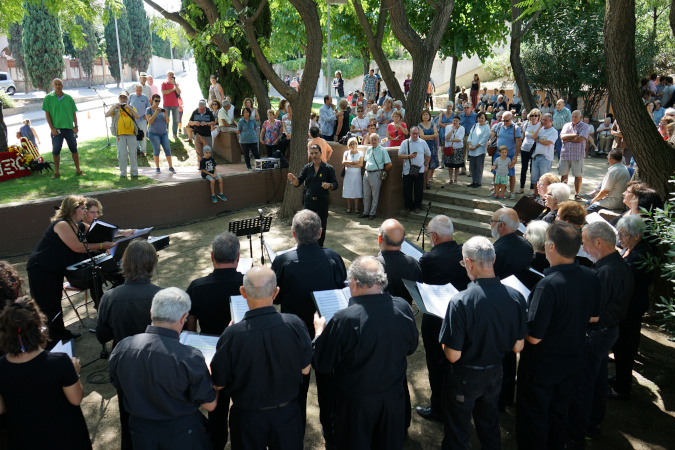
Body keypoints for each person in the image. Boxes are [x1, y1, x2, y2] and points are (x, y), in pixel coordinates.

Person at [313, 256, 418, 450]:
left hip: (356, 405)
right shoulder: (402, 307)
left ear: (354, 282)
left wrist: (319, 333)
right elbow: (411, 347)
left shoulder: (343, 319)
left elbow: (323, 363)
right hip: (393, 399)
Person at [516, 222, 601, 449]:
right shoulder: (590, 276)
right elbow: (594, 316)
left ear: (551, 247)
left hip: (542, 365)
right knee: (559, 412)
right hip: (573, 358)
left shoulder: (547, 286)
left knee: (534, 415)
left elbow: (534, 337)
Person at [210, 266, 311, 450]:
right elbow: (305, 369)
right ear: (276, 292)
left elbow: (218, 383)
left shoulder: (232, 335)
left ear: (243, 293)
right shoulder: (295, 324)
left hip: (247, 419)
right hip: (287, 415)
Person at [440, 236, 527, 449]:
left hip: (465, 377)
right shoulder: (516, 296)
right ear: (494, 258)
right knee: (489, 426)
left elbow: (453, 355)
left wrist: (443, 340)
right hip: (496, 373)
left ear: (469, 263)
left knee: (458, 432)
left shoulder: (460, 301)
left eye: (463, 263)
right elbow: (518, 346)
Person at [272, 210, 346, 446]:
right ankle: (330, 430)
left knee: (296, 389)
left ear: (293, 234)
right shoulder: (334, 258)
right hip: (327, 332)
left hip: (294, 335)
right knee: (329, 385)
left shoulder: (282, 261)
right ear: (320, 233)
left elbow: (274, 298)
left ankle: (296, 434)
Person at [108, 288, 217, 449]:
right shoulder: (189, 356)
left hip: (140, 432)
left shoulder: (123, 346)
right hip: (181, 434)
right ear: (183, 318)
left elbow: (117, 382)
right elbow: (210, 405)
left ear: (151, 313)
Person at [568, 221, 634, 446]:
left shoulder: (607, 271)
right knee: (596, 382)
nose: (583, 250)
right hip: (606, 332)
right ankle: (592, 424)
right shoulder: (614, 263)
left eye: (585, 243)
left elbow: (593, 314)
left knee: (583, 386)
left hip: (597, 334)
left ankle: (576, 435)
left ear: (598, 242)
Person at [0, 297, 92, 449]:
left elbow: (1, 408)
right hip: (64, 436)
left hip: (24, 438)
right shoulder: (59, 361)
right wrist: (74, 373)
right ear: (39, 327)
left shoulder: (2, 367)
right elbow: (76, 399)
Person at [95, 240, 161, 450]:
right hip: (157, 365)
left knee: (128, 416)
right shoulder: (162, 295)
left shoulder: (110, 297)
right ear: (152, 264)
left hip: (124, 367)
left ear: (125, 264)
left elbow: (102, 335)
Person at [26, 195, 114, 346]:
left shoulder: (78, 225)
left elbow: (104, 231)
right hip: (40, 268)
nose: (85, 211)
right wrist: (102, 245)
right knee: (46, 304)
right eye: (82, 208)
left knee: (55, 302)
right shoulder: (62, 224)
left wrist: (127, 233)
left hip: (55, 269)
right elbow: (77, 247)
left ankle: (60, 333)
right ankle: (49, 340)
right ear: (73, 210)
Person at [184, 232, 243, 449]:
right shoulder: (247, 283)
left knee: (216, 412)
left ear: (212, 257)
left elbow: (190, 321)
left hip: (211, 356)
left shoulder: (197, 287)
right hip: (242, 354)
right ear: (237, 257)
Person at [416, 215, 471, 423]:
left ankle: (438, 407)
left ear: (434, 236)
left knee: (436, 364)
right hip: (463, 316)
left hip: (437, 319)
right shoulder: (464, 251)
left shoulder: (428, 259)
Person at [611, 215, 655, 399]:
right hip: (626, 306)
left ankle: (622, 388)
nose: (620, 238)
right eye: (619, 234)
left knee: (625, 347)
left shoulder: (642, 255)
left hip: (632, 308)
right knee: (620, 346)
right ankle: (620, 378)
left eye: (624, 235)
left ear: (637, 235)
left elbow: (627, 280)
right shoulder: (630, 248)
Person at [287, 145, 339, 247]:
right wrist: (293, 180)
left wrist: (329, 185)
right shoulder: (307, 168)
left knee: (321, 224)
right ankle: (306, 245)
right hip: (309, 201)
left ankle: (319, 246)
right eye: (312, 153)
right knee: (306, 224)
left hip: (322, 201)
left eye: (316, 153)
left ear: (321, 153)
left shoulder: (328, 168)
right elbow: (298, 182)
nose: (314, 155)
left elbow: (335, 184)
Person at [42, 78, 84, 179]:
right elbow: (47, 114)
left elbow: (74, 113)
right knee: (56, 151)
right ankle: (56, 172)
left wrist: (76, 126)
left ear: (62, 85)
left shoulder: (69, 98)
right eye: (55, 84)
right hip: (57, 130)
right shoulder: (48, 98)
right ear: (53, 86)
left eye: (59, 84)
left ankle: (78, 170)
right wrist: (52, 128)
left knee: (74, 149)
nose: (58, 86)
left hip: (69, 129)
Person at [106, 90, 142, 177]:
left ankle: (134, 172)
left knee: (133, 153)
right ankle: (123, 173)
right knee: (122, 154)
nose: (122, 99)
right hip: (120, 134)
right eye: (121, 98)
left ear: (127, 98)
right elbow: (106, 114)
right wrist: (115, 107)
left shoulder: (131, 107)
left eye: (124, 98)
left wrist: (129, 108)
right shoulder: (114, 107)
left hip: (132, 134)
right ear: (119, 98)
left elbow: (137, 116)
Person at [360, 133, 392, 220]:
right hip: (367, 173)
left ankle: (372, 213)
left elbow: (389, 164)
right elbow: (366, 160)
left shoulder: (382, 150)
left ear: (378, 140)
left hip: (376, 173)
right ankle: (365, 212)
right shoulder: (368, 149)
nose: (373, 141)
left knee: (375, 194)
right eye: (372, 139)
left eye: (375, 139)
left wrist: (382, 172)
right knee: (366, 194)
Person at [399, 127, 431, 214]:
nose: (415, 135)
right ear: (410, 133)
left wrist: (426, 165)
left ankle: (417, 206)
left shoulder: (422, 142)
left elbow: (428, 154)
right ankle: (408, 207)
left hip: (419, 170)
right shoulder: (405, 142)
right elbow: (400, 155)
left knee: (418, 189)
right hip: (407, 170)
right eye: (413, 133)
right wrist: (409, 156)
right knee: (407, 190)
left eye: (417, 133)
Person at [491, 111, 522, 199]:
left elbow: (518, 143)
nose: (504, 122)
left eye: (507, 121)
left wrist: (516, 156)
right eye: (503, 120)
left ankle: (512, 192)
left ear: (511, 119)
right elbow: (495, 134)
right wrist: (489, 141)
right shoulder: (499, 125)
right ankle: (496, 190)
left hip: (510, 154)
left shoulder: (516, 128)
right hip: (498, 153)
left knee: (511, 173)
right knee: (496, 172)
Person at [559, 110, 590, 199]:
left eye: (576, 116)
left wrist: (568, 138)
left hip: (577, 155)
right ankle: (563, 194)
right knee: (564, 175)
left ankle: (577, 194)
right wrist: (574, 135)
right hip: (565, 154)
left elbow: (580, 139)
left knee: (578, 175)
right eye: (572, 116)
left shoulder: (585, 126)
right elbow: (562, 137)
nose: (574, 118)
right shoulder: (566, 125)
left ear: (580, 117)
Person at [145, 94, 175, 174]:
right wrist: (155, 113)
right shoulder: (149, 109)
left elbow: (167, 121)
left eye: (159, 101)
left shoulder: (161, 110)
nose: (157, 102)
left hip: (164, 133)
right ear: (152, 101)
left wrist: (166, 114)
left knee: (167, 149)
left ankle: (171, 167)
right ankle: (157, 168)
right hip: (154, 133)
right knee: (157, 149)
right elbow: (150, 121)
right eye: (156, 101)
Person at [530, 113, 558, 189]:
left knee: (544, 179)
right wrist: (539, 127)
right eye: (542, 119)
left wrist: (538, 140)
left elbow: (548, 143)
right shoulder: (541, 129)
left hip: (546, 158)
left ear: (550, 121)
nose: (543, 121)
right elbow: (533, 137)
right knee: (534, 178)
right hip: (536, 156)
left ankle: (543, 196)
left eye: (545, 120)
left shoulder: (554, 131)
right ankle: (536, 195)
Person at [518, 108, 542, 194]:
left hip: (534, 150)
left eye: (536, 115)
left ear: (539, 117)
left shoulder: (540, 125)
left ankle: (532, 188)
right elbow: (524, 136)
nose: (534, 117)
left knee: (533, 170)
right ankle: (521, 187)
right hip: (524, 149)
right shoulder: (526, 124)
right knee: (523, 169)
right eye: (532, 115)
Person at [188, 99, 217, 165]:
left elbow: (213, 122)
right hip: (197, 134)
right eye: (199, 109)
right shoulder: (195, 112)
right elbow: (190, 122)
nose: (200, 111)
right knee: (198, 151)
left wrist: (206, 123)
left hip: (206, 135)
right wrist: (194, 122)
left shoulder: (208, 112)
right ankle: (200, 164)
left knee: (208, 150)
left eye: (202, 109)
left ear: (205, 107)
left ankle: (210, 164)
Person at [466, 111, 490, 188]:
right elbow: (470, 135)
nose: (480, 119)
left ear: (485, 119)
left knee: (479, 166)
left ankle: (478, 182)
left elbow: (484, 139)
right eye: (479, 118)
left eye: (482, 118)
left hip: (480, 150)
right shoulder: (475, 125)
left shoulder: (487, 127)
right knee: (472, 166)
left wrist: (475, 146)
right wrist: (470, 144)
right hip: (472, 149)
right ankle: (473, 181)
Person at [342, 137, 364, 214]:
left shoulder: (360, 153)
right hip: (348, 175)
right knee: (348, 190)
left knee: (356, 190)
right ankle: (349, 207)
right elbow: (344, 162)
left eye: (354, 144)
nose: (352, 145)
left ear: (356, 144)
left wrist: (349, 164)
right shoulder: (346, 153)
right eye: (350, 144)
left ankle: (356, 208)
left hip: (356, 176)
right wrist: (354, 163)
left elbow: (360, 164)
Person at [419, 109, 440, 189]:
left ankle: (428, 182)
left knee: (432, 164)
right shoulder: (419, 126)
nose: (425, 116)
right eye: (424, 115)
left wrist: (429, 137)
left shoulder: (432, 124)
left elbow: (436, 135)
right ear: (421, 116)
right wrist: (432, 136)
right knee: (425, 164)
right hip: (424, 146)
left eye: (427, 114)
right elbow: (422, 137)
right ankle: (423, 181)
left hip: (433, 146)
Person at [129, 83, 151, 155]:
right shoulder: (131, 96)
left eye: (140, 90)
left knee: (143, 134)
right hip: (133, 119)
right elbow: (127, 105)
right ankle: (137, 148)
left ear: (142, 90)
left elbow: (149, 108)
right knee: (134, 134)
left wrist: (146, 116)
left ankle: (143, 150)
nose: (138, 91)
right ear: (135, 89)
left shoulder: (145, 97)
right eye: (137, 90)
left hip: (142, 119)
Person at [444, 115, 465, 185]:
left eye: (457, 121)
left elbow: (459, 139)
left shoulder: (462, 128)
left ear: (459, 121)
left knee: (457, 165)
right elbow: (446, 136)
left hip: (457, 148)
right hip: (449, 148)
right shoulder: (448, 127)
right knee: (450, 165)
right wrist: (452, 129)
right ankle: (450, 179)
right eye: (454, 120)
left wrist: (449, 140)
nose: (455, 122)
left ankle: (455, 179)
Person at [458, 102, 477, 175]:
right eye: (465, 108)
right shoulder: (461, 116)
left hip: (471, 137)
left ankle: (471, 171)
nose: (466, 109)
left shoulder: (475, 116)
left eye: (468, 108)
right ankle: (463, 170)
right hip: (462, 137)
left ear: (471, 108)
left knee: (471, 154)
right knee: (462, 154)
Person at [161, 71, 181, 138]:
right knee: (166, 119)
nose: (171, 75)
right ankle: (165, 134)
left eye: (172, 74)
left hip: (175, 105)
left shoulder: (176, 84)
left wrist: (175, 84)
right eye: (170, 74)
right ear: (167, 75)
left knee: (175, 120)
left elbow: (179, 92)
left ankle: (174, 134)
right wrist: (173, 89)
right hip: (166, 105)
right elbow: (164, 92)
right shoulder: (164, 83)